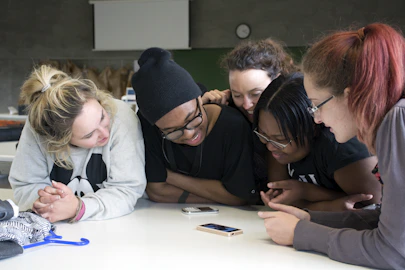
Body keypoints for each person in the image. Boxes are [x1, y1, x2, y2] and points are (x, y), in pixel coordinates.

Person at [258, 23, 405, 269]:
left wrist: (301, 234)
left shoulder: (397, 120)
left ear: (349, 96)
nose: (316, 119)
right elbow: (390, 223)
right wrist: (311, 219)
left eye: (317, 105)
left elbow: (392, 251)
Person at [9, 65, 147, 223]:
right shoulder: (39, 127)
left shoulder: (121, 116)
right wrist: (50, 203)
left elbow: (127, 189)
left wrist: (79, 208)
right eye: (89, 134)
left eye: (102, 116)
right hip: (56, 229)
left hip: (114, 226)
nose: (105, 133)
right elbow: (25, 186)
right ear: (60, 141)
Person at [131, 47, 257, 205]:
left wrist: (171, 177)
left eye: (192, 119)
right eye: (173, 132)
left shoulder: (233, 126)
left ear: (200, 98)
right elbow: (157, 192)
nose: (189, 134)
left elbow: (239, 197)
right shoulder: (149, 127)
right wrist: (221, 195)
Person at [255, 73, 381, 211]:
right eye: (263, 135)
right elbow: (281, 201)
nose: (270, 146)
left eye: (280, 139)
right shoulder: (277, 147)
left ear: (313, 125)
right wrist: (323, 205)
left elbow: (373, 209)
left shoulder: (342, 147)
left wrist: (307, 193)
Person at [203, 39, 299, 193]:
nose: (247, 105)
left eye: (256, 94)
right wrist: (203, 109)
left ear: (279, 82)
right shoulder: (229, 111)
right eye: (237, 95)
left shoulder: (303, 113)